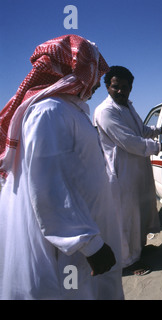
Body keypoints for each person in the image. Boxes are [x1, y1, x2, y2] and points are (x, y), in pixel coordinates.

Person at [0, 35, 124, 299]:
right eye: (95, 71)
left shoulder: (68, 109)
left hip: (82, 228)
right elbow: (48, 187)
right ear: (78, 70)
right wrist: (89, 244)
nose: (98, 82)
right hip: (68, 244)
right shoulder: (49, 111)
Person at [93, 66, 162, 276]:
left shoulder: (127, 106)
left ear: (131, 88)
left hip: (138, 169)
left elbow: (142, 131)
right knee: (126, 219)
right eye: (115, 87)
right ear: (108, 87)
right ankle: (128, 262)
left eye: (125, 87)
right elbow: (130, 141)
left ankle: (139, 250)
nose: (120, 91)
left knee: (140, 213)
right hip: (122, 173)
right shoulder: (105, 111)